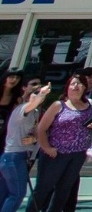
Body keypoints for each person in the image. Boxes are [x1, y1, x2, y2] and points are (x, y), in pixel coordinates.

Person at [30, 76, 92, 212]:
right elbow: (41, 129)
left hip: (78, 154)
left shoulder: (89, 105)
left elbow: (90, 126)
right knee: (43, 188)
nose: (76, 86)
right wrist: (47, 148)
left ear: (84, 88)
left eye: (80, 84)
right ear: (67, 87)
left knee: (64, 190)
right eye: (73, 84)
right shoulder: (59, 105)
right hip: (56, 154)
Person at [0, 77, 46, 212]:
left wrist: (34, 138)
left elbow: (36, 132)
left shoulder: (35, 112)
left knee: (4, 193)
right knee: (17, 194)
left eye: (39, 85)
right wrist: (42, 93)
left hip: (19, 156)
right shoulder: (23, 108)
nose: (37, 88)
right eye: (33, 85)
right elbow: (33, 102)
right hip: (14, 157)